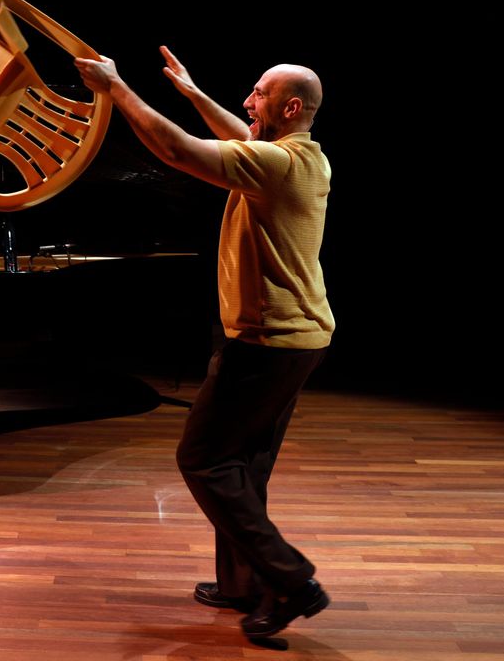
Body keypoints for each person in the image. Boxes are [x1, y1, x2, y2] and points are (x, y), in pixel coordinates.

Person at [75, 47, 335, 642]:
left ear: (290, 107)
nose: (248, 101)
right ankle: (243, 585)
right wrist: (193, 94)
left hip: (268, 343)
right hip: (297, 338)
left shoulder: (277, 164)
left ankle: (290, 581)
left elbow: (176, 150)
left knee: (205, 460)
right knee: (244, 468)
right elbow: (241, 136)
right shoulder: (304, 156)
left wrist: (115, 88)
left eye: (259, 94)